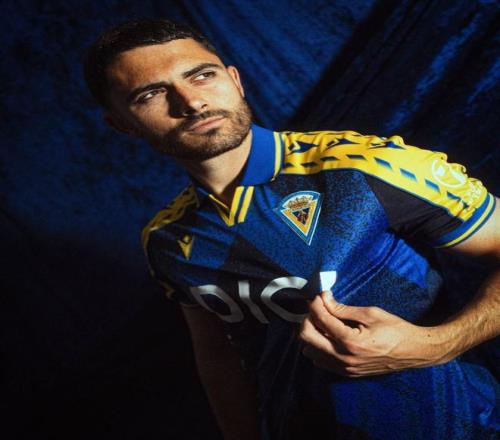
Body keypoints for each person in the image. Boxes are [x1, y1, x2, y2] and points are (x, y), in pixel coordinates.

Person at [83, 18, 500, 440]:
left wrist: (438, 344)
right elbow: (218, 354)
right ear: (123, 124)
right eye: (151, 94)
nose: (191, 102)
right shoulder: (166, 240)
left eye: (202, 75)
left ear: (235, 80)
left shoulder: (370, 167)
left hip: (460, 425)